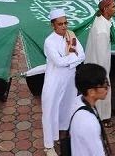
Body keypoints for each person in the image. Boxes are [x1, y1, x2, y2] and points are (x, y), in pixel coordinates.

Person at [42, 9, 85, 156]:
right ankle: (48, 146)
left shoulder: (70, 36)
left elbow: (83, 55)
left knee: (67, 107)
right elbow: (59, 62)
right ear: (53, 25)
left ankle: (62, 136)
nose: (64, 26)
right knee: (50, 109)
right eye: (60, 24)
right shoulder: (49, 41)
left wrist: (69, 61)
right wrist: (73, 58)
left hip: (69, 79)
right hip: (54, 80)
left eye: (65, 23)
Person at [84, 0, 115, 126]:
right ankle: (104, 117)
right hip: (99, 66)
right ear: (105, 9)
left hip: (95, 63)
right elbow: (101, 56)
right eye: (113, 6)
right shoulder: (102, 30)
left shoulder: (101, 20)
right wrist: (103, 75)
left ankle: (105, 111)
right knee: (102, 87)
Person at [69, 63, 112, 156]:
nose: (107, 87)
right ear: (91, 92)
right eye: (103, 85)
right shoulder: (88, 122)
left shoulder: (78, 101)